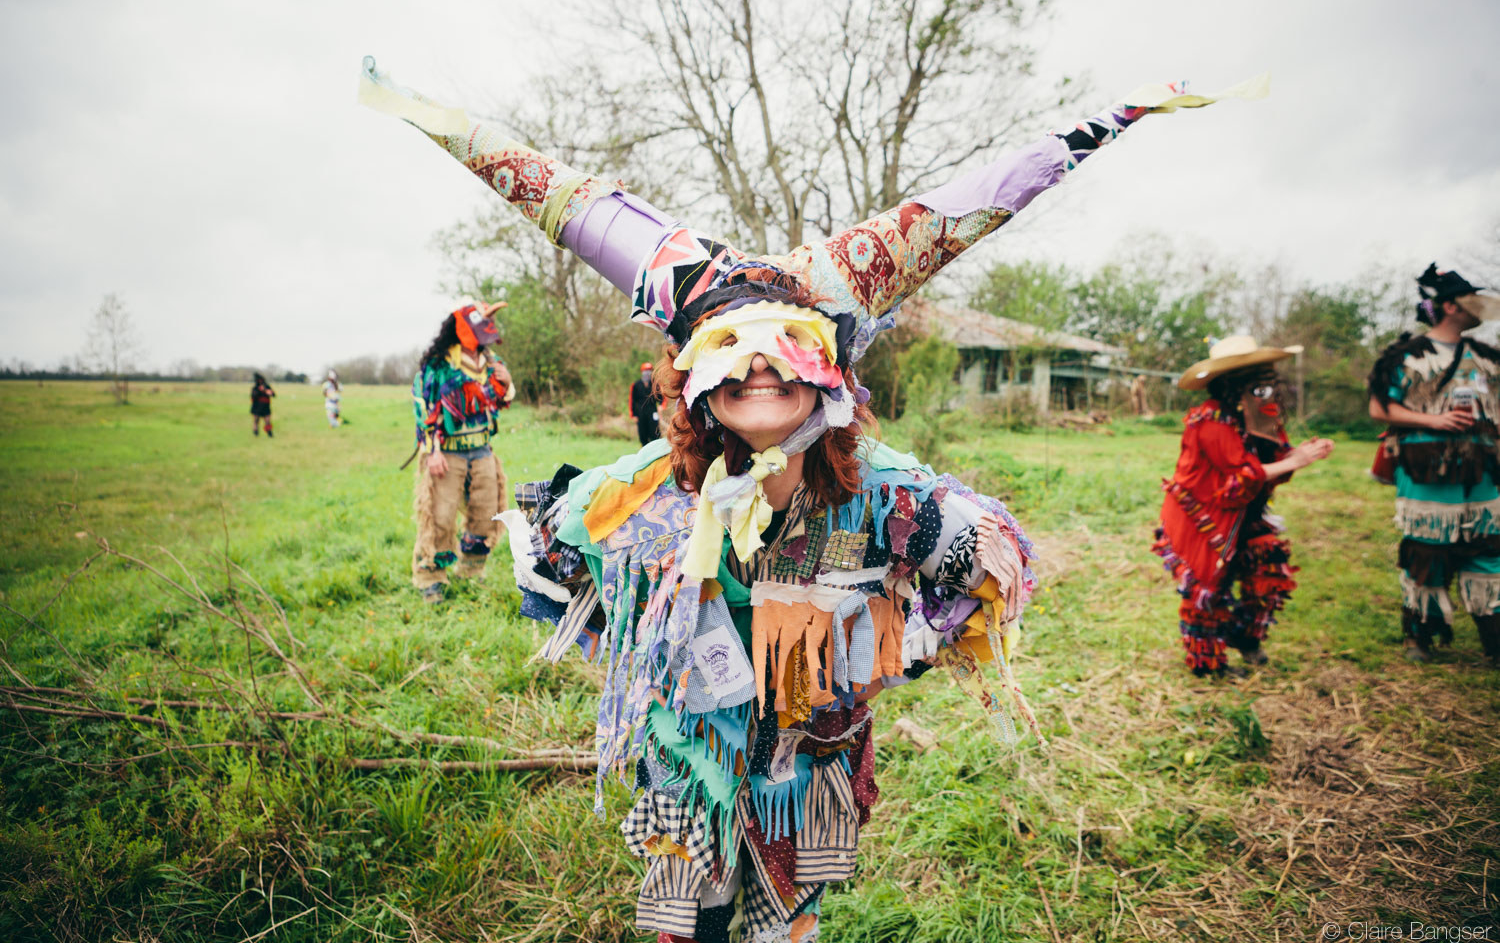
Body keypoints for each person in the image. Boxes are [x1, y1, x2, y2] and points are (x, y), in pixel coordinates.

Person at [362, 57, 1262, 940]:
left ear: (829, 371)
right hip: (688, 773)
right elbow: (562, 557)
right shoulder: (636, 492)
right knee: (688, 923)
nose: (758, 364)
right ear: (693, 380)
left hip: (809, 776)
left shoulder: (884, 489)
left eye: (785, 344)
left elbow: (993, 561)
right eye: (729, 346)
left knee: (787, 924)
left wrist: (910, 605)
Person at [1152, 337, 1334, 676]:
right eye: (1260, 383)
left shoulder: (1256, 416)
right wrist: (1295, 461)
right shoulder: (1210, 421)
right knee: (1208, 588)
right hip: (1204, 518)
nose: (1270, 390)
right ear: (1236, 384)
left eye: (1271, 382)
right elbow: (1238, 478)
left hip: (1242, 512)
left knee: (1268, 565)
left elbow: (1267, 464)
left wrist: (1298, 455)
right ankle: (1206, 664)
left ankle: (1244, 636)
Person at [1368, 264, 1500, 666]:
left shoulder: (1487, 359)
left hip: (1482, 474)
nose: (1478, 307)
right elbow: (1379, 407)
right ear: (1448, 306)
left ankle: (1494, 637)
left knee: (1490, 551)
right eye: (1468, 300)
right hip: (1427, 472)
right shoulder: (1405, 357)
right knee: (1428, 549)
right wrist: (1434, 420)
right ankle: (1419, 635)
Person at [410, 302, 517, 603]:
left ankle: (471, 573)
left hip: (482, 449)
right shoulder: (439, 365)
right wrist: (432, 450)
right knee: (440, 517)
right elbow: (424, 406)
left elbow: (503, 396)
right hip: (448, 454)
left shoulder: (491, 361)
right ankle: (430, 578)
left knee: (486, 514)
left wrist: (506, 383)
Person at [630, 361, 660, 445]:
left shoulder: (655, 384)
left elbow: (661, 397)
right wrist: (633, 415)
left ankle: (655, 450)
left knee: (655, 432)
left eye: (649, 370)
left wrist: (661, 406)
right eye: (645, 370)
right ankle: (644, 450)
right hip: (640, 412)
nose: (647, 373)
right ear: (642, 372)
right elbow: (632, 400)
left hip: (652, 411)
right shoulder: (636, 385)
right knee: (643, 433)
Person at [249, 373, 275, 438]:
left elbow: (273, 394)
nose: (260, 381)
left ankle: (269, 433)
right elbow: (253, 396)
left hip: (266, 407)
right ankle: (256, 433)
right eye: (259, 380)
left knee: (267, 421)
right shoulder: (255, 388)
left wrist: (268, 392)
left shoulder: (267, 387)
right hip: (257, 407)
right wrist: (260, 391)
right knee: (256, 421)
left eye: (261, 380)